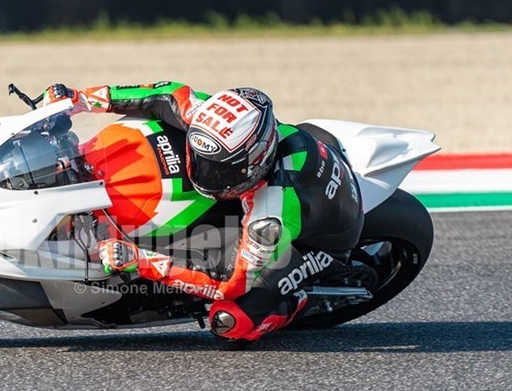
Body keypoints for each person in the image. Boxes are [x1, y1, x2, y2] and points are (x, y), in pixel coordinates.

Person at [43, 82, 364, 342]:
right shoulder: (217, 122)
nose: (201, 172)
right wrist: (80, 99)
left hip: (321, 239)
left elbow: (230, 283)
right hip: (282, 178)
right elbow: (167, 94)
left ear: (255, 163)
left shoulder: (272, 213)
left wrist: (139, 260)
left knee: (230, 321)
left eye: (218, 170)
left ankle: (294, 302)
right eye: (199, 159)